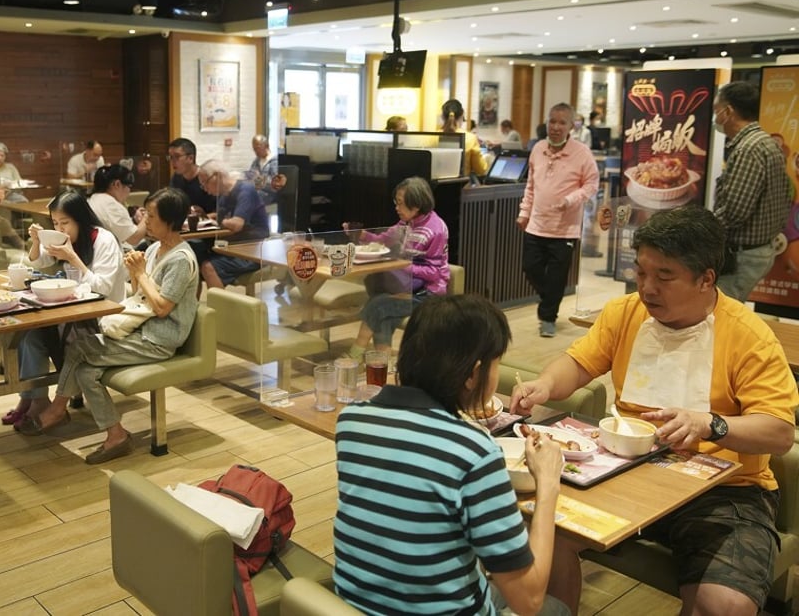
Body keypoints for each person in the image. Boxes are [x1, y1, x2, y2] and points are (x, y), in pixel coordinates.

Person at [510, 206, 798, 616]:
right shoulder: (624, 312)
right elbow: (578, 364)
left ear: (706, 279)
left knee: (725, 605)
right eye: (641, 272)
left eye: (664, 277)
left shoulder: (750, 336)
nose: (646, 288)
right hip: (627, 467)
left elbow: (779, 432)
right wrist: (545, 385)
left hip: (724, 492)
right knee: (546, 532)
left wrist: (710, 424)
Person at [334, 294, 569, 616]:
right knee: (555, 608)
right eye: (496, 362)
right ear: (473, 374)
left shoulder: (352, 420)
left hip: (354, 607)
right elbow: (528, 601)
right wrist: (548, 482)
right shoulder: (474, 450)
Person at [17, 188, 199, 465]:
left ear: (171, 220)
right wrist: (137, 274)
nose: (145, 221)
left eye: (151, 216)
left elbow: (162, 308)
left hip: (159, 338)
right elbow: (139, 295)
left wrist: (138, 273)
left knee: (78, 348)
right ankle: (116, 435)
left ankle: (55, 410)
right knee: (87, 371)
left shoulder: (181, 259)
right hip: (137, 330)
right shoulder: (153, 249)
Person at [5, 191, 127, 428]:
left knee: (59, 336)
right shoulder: (63, 238)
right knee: (27, 337)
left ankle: (53, 404)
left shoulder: (104, 240)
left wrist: (73, 258)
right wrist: (38, 241)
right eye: (55, 223)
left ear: (81, 219)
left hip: (102, 317)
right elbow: (39, 262)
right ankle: (35, 399)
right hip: (72, 311)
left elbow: (103, 287)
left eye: (65, 223)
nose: (60, 229)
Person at [517, 102, 599, 338]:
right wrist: (524, 213)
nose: (555, 127)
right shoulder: (537, 149)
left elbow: (592, 184)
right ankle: (550, 299)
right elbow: (531, 186)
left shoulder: (582, 153)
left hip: (565, 229)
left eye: (562, 122)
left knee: (556, 276)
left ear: (571, 126)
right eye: (552, 121)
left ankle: (548, 317)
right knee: (530, 268)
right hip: (536, 224)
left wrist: (572, 199)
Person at [346, 176, 449, 360]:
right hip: (406, 288)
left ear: (416, 206)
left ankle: (354, 356)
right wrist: (362, 235)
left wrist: (404, 266)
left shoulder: (436, 229)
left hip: (427, 295)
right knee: (383, 313)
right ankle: (381, 364)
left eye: (400, 204)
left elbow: (434, 273)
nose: (396, 208)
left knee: (378, 305)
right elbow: (383, 239)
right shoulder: (406, 223)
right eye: (396, 203)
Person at [711, 81, 792, 302]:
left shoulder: (748, 149)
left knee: (721, 311)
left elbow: (735, 211)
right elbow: (786, 194)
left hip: (742, 255)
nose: (716, 119)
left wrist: (703, 228)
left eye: (717, 111)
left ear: (728, 112)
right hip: (761, 248)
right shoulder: (767, 143)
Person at [196, 159, 269, 290]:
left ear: (217, 176)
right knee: (195, 258)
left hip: (252, 251)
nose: (205, 189)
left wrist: (218, 221)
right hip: (232, 247)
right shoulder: (223, 195)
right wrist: (204, 217)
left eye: (205, 183)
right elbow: (222, 217)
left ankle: (219, 309)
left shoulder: (245, 190)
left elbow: (236, 224)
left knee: (208, 266)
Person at [87, 163, 147, 248]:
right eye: (129, 186)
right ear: (117, 184)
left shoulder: (94, 198)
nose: (129, 192)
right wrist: (148, 215)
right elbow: (134, 238)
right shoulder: (111, 205)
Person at [440, 99, 488, 177]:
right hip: (460, 186)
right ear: (462, 115)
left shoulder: (431, 136)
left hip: (434, 188)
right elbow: (481, 170)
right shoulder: (470, 138)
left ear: (442, 116)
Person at [168, 137, 214, 214]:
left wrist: (204, 214)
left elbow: (219, 212)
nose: (173, 161)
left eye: (177, 157)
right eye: (171, 157)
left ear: (190, 158)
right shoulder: (176, 177)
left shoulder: (206, 178)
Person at [246, 134, 278, 206]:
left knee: (246, 199)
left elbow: (276, 185)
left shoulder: (275, 162)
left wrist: (259, 180)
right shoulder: (256, 161)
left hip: (269, 196)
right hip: (256, 192)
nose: (256, 151)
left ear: (266, 146)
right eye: (254, 149)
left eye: (258, 148)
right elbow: (251, 177)